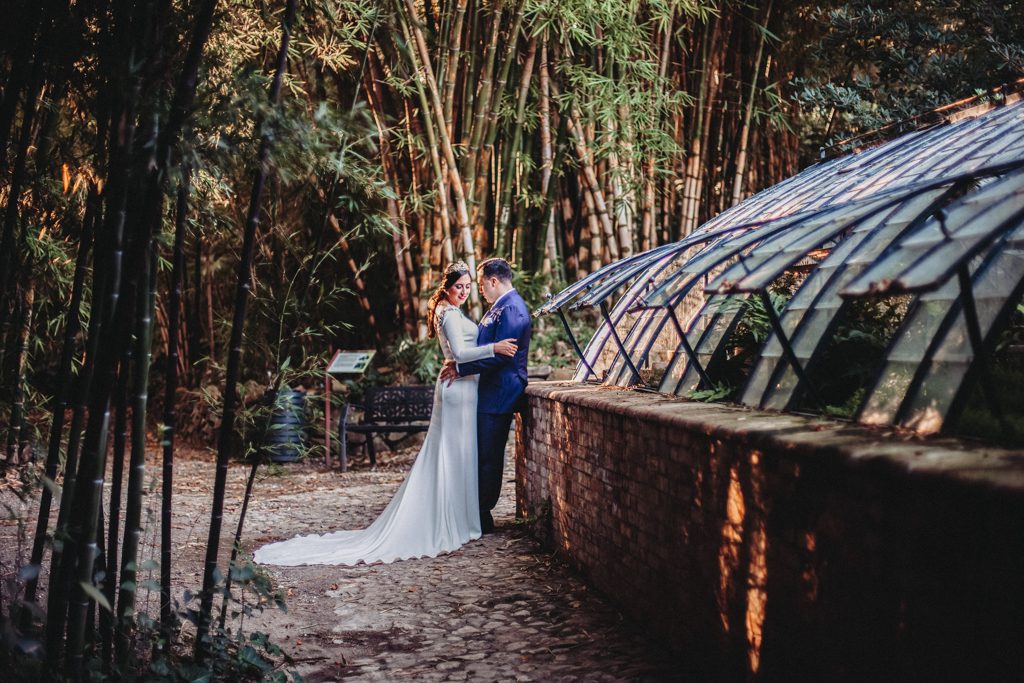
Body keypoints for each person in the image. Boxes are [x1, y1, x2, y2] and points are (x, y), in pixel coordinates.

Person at [253, 261, 518, 566]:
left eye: (469, 286)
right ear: (447, 287)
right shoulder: (447, 314)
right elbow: (458, 355)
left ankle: (462, 516)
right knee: (453, 454)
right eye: (460, 286)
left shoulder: (453, 312)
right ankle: (453, 519)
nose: (465, 291)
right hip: (458, 392)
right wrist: (494, 348)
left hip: (463, 388)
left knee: (460, 456)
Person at [440, 257, 531, 534]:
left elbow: (504, 357)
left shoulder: (513, 309)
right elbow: (490, 348)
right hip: (487, 391)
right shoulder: (498, 307)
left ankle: (482, 514)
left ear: (493, 281)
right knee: (482, 454)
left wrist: (462, 367)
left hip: (499, 393)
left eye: (480, 284)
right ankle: (475, 512)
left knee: (489, 455)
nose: (478, 289)